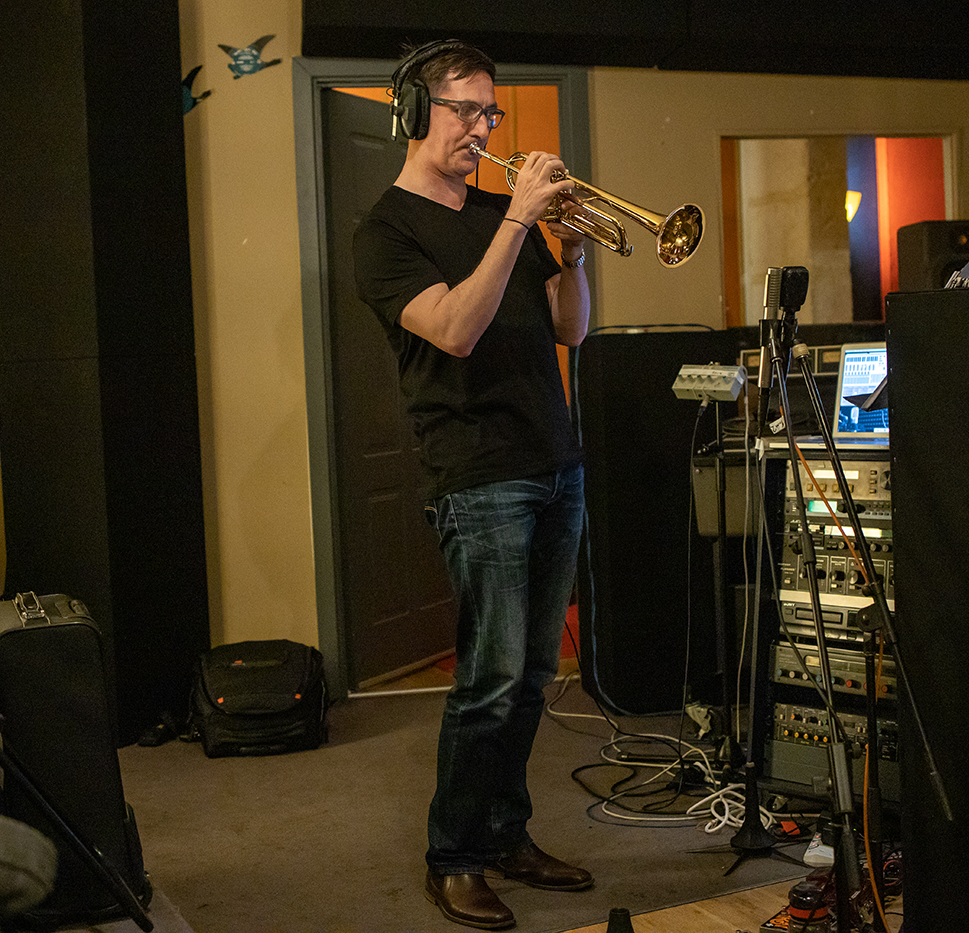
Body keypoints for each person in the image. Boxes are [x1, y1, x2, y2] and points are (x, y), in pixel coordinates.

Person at [351, 39, 593, 931]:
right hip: (478, 475)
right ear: (415, 115)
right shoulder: (385, 232)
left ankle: (504, 831)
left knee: (535, 674)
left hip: (555, 461)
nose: (484, 128)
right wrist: (520, 224)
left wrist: (571, 249)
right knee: (488, 677)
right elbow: (453, 328)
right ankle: (452, 855)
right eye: (465, 110)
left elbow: (572, 330)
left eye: (492, 112)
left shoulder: (507, 216)